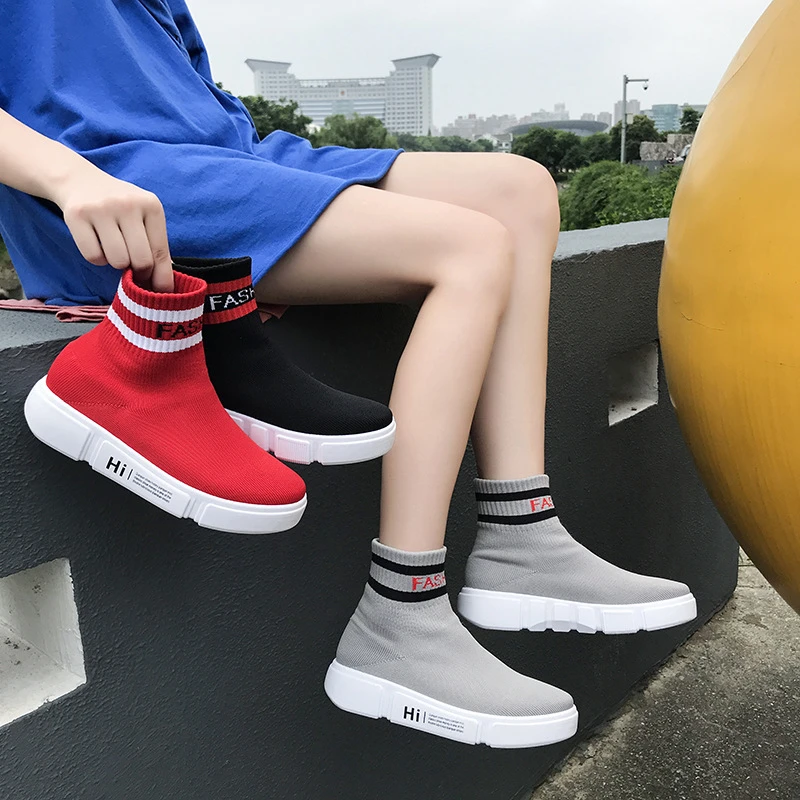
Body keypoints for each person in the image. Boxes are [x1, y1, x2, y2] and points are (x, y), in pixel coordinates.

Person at [0, 0, 697, 747]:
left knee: (521, 189)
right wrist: (67, 178)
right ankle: (402, 615)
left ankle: (521, 534)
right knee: (469, 248)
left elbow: (174, 63)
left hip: (229, 155)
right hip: (117, 186)